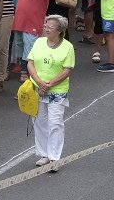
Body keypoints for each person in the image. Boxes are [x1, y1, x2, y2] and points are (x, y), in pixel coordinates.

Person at [25, 14, 76, 167]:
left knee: (55, 123)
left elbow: (67, 70)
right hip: (38, 89)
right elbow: (30, 63)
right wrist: (40, 83)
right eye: (45, 25)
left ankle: (54, 157)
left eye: (50, 27)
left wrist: (49, 84)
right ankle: (44, 154)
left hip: (57, 91)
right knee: (39, 122)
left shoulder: (68, 47)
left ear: (59, 31)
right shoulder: (39, 42)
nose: (46, 28)